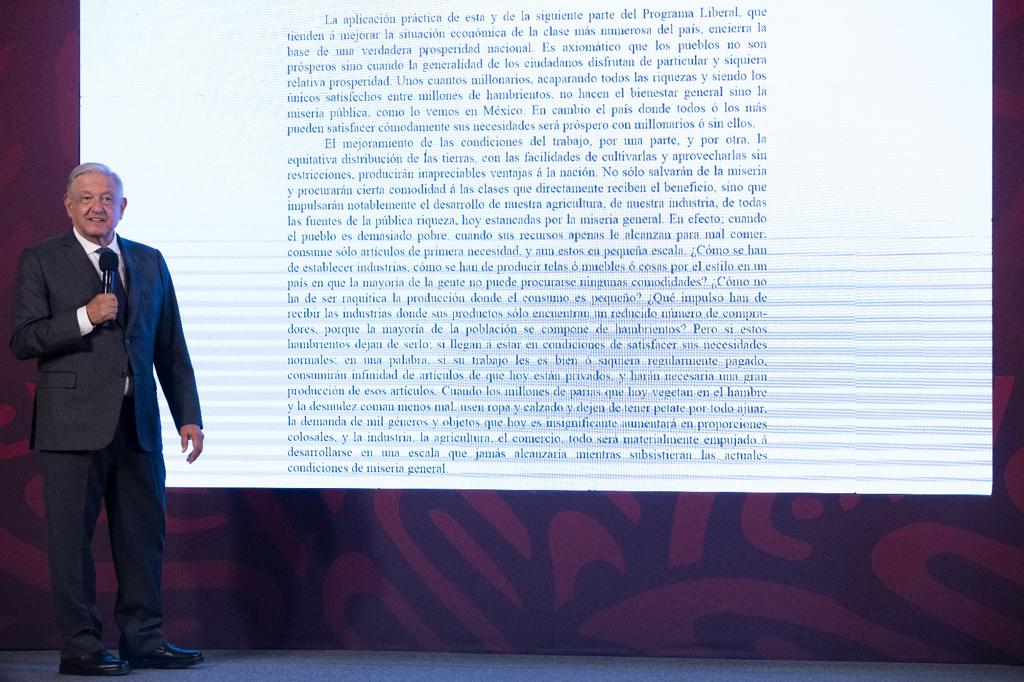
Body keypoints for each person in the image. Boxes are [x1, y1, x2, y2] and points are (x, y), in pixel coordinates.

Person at [9, 163, 205, 676]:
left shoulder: (149, 260)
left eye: (107, 198)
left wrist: (188, 416)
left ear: (123, 207)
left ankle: (145, 639)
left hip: (138, 424)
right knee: (71, 542)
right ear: (68, 206)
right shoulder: (42, 259)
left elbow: (171, 347)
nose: (97, 207)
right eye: (86, 198)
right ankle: (81, 646)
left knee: (143, 537)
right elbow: (23, 339)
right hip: (70, 426)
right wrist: (85, 317)